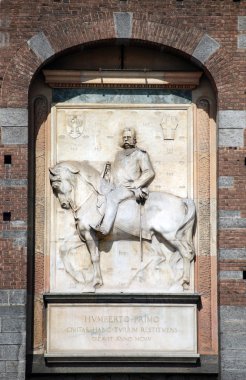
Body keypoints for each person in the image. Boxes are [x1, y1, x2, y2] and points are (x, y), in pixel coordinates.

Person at [93, 127, 155, 235]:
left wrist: (136, 184)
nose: (126, 139)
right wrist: (108, 174)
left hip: (131, 188)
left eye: (129, 137)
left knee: (112, 197)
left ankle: (105, 229)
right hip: (117, 187)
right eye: (124, 137)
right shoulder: (118, 155)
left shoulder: (140, 154)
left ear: (134, 139)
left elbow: (149, 172)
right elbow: (117, 173)